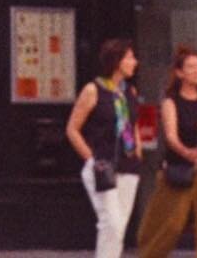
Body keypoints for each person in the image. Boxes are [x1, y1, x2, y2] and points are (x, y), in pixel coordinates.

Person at [136, 45, 197, 258]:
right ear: (179, 73)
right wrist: (188, 153)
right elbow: (171, 137)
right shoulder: (171, 102)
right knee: (171, 225)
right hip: (180, 172)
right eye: (191, 67)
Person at [67, 38, 143, 258]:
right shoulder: (93, 90)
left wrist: (137, 151)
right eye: (130, 57)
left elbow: (133, 124)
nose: (135, 62)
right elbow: (72, 129)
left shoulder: (130, 91)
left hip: (128, 167)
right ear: (117, 61)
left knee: (118, 228)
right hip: (102, 165)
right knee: (111, 222)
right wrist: (91, 159)